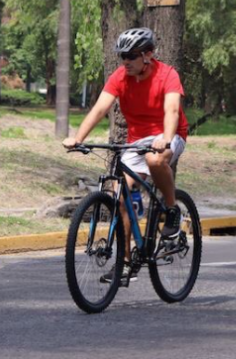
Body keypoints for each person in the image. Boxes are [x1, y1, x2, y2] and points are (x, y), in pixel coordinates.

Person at [62, 27, 189, 283]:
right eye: (122, 56)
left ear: (148, 54)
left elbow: (172, 110)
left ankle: (172, 208)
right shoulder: (120, 77)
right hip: (136, 140)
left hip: (170, 134)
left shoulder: (167, 75)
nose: (126, 61)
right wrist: (78, 139)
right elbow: (100, 108)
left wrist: (165, 138)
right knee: (118, 196)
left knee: (155, 159)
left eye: (131, 56)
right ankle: (126, 264)